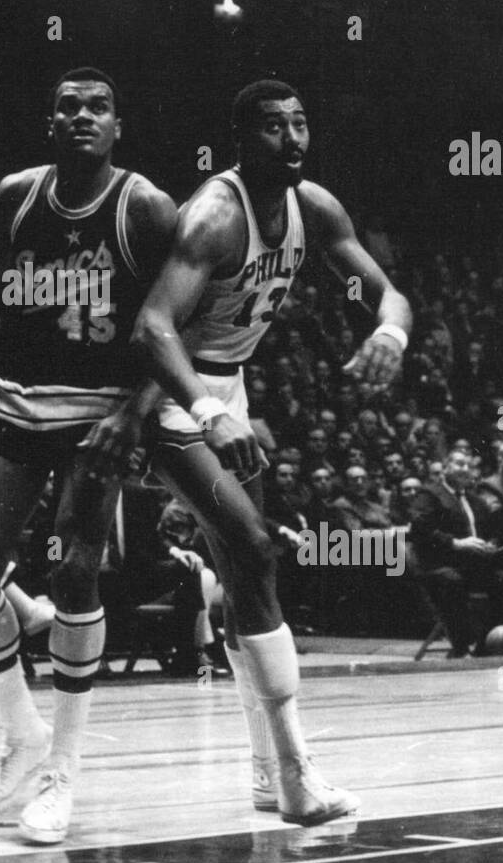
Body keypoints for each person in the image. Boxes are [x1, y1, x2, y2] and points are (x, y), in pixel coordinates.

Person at [0, 68, 176, 843]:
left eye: (98, 107)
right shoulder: (17, 195)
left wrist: (136, 412)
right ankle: (22, 736)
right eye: (69, 107)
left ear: (117, 125)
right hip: (16, 399)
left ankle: (63, 770)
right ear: (49, 122)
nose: (83, 116)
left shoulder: (145, 206)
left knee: (73, 570)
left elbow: (178, 325)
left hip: (100, 413)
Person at [133, 78, 413, 824]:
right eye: (272, 128)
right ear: (239, 139)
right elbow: (153, 327)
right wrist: (202, 408)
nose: (292, 139)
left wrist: (389, 333)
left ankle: (269, 773)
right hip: (163, 394)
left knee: (244, 574)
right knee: (254, 550)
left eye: (300, 123)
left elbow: (389, 293)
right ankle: (295, 774)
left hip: (231, 392)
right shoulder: (214, 218)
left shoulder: (313, 207)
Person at [410, 447, 503, 657]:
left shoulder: (475, 500)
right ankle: (460, 648)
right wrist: (456, 543)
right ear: (445, 468)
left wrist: (493, 543)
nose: (465, 469)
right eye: (459, 464)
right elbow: (420, 529)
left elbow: (492, 530)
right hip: (437, 565)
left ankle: (483, 646)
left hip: (472, 566)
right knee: (452, 582)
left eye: (469, 466)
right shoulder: (430, 495)